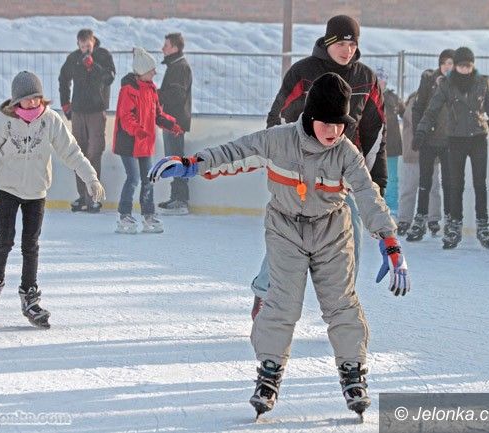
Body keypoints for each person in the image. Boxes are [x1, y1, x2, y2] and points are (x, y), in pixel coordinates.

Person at [149, 73, 410, 420]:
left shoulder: (346, 152)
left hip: (332, 232)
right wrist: (192, 164)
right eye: (327, 122)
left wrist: (389, 240)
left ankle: (353, 373)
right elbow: (235, 152)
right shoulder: (279, 140)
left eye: (340, 124)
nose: (334, 131)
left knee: (341, 303)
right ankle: (269, 372)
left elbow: (366, 193)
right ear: (311, 116)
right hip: (285, 228)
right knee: (281, 304)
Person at [253, 14, 387, 318]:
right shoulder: (303, 72)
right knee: (289, 234)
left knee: (350, 237)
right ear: (328, 42)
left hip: (344, 172)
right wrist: (285, 162)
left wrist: (376, 182)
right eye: (341, 43)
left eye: (353, 44)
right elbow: (278, 118)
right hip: (303, 169)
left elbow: (375, 133)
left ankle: (343, 306)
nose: (347, 50)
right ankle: (266, 293)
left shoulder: (366, 78)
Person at [0, 71, 105, 328]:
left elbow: (71, 151)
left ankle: (29, 296)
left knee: (31, 245)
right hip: (8, 189)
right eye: (27, 98)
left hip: (36, 192)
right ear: (16, 100)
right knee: (4, 240)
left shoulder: (51, 120)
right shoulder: (4, 121)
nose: (33, 102)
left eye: (37, 97)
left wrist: (91, 178)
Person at [413, 47, 489, 249]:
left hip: (478, 138)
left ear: (473, 66)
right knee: (456, 184)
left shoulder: (482, 82)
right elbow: (431, 110)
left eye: (468, 66)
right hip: (455, 140)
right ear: (456, 66)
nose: (465, 69)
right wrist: (420, 131)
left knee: (480, 184)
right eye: (462, 66)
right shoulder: (446, 84)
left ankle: (482, 225)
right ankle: (454, 226)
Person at [112, 47, 184, 234]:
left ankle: (148, 215)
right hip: (128, 141)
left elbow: (158, 115)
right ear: (142, 71)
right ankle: (124, 215)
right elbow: (126, 117)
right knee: (133, 178)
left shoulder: (151, 90)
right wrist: (137, 130)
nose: (155, 72)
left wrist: (172, 124)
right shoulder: (128, 90)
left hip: (144, 142)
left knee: (148, 179)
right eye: (152, 70)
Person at [59, 28, 115, 213]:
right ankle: (83, 196)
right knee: (79, 154)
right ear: (78, 44)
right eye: (82, 46)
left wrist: (93, 66)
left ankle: (93, 196)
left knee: (94, 152)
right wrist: (65, 104)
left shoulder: (103, 55)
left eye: (88, 46)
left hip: (96, 112)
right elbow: (63, 79)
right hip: (78, 112)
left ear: (93, 42)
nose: (85, 49)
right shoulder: (74, 58)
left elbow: (109, 78)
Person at [407, 49, 455, 241]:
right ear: (439, 64)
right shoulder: (429, 80)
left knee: (449, 183)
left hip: (450, 141)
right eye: (444, 63)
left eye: (451, 63)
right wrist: (419, 132)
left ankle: (451, 220)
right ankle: (420, 218)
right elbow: (418, 108)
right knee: (425, 182)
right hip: (429, 140)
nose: (447, 67)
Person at [396, 91, 442, 236]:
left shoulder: (437, 101)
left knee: (432, 189)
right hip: (413, 154)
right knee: (409, 188)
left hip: (431, 153)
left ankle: (433, 219)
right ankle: (405, 219)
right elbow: (413, 120)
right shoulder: (414, 102)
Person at [157, 32, 193, 215]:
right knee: (172, 158)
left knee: (176, 158)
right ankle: (176, 197)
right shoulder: (174, 66)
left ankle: (181, 201)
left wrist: (158, 94)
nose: (163, 48)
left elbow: (177, 95)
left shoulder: (180, 67)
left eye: (166, 45)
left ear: (175, 48)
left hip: (175, 122)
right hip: (170, 120)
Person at [376, 66, 405, 214]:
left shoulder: (393, 97)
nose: (380, 81)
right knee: (374, 177)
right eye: (378, 78)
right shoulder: (369, 96)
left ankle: (392, 205)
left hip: (392, 145)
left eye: (382, 79)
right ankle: (375, 205)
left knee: (392, 177)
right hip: (374, 145)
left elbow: (406, 114)